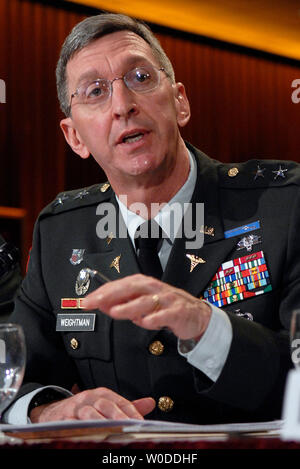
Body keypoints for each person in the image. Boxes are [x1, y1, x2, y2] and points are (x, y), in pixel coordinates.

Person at [4, 13, 299, 425]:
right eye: (95, 91)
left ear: (180, 101)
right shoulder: (61, 230)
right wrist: (48, 409)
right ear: (74, 137)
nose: (123, 106)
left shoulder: (282, 204)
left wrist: (204, 325)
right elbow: (13, 373)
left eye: (140, 77)